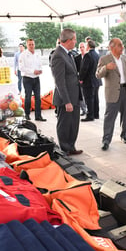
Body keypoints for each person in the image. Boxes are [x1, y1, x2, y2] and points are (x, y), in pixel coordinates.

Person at [96, 38, 126, 151]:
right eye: (120, 45)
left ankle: (124, 135)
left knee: (125, 115)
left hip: (125, 90)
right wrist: (106, 68)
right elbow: (97, 74)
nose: (122, 47)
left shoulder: (125, 58)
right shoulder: (105, 59)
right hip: (112, 92)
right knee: (109, 117)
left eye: (122, 45)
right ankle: (106, 140)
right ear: (112, 47)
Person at [51, 28, 82, 156]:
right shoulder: (58, 55)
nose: (75, 42)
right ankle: (64, 148)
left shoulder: (68, 53)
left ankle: (71, 146)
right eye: (74, 39)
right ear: (69, 40)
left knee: (74, 124)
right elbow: (60, 81)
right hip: (66, 98)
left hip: (74, 96)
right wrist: (67, 101)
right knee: (64, 125)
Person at [19, 38, 45, 121]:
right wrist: (33, 71)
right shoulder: (23, 55)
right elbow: (21, 68)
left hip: (36, 78)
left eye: (32, 44)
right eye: (29, 44)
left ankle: (38, 116)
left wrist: (40, 70)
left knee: (38, 97)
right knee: (28, 97)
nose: (31, 46)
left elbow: (40, 64)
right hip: (27, 79)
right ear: (27, 45)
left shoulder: (37, 54)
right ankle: (27, 114)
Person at [79, 40, 101, 121]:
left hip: (89, 81)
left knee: (89, 98)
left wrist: (81, 78)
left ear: (88, 46)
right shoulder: (97, 55)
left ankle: (90, 115)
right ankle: (96, 114)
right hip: (97, 80)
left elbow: (84, 69)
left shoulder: (87, 55)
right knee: (95, 98)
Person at [74, 42, 88, 117]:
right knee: (81, 95)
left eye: (83, 47)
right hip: (79, 80)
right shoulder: (76, 58)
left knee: (87, 96)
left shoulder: (89, 57)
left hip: (87, 80)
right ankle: (84, 109)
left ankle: (88, 109)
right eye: (80, 47)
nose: (82, 48)